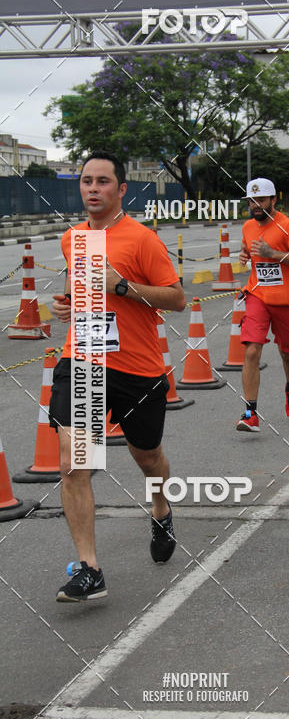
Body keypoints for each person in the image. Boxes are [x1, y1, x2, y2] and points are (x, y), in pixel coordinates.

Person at [49, 151, 186, 602]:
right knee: (74, 462)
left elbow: (176, 298)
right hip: (83, 360)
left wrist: (122, 286)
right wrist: (64, 304)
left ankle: (161, 507)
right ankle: (90, 568)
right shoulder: (72, 239)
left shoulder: (142, 239)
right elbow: (76, 287)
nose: (92, 188)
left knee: (147, 458)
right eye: (86, 180)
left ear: (121, 189)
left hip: (136, 367)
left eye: (103, 181)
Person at [237, 177, 289, 432]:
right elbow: (248, 247)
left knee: (288, 354)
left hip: (286, 301)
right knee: (250, 351)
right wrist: (244, 254)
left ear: (273, 200)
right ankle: (250, 414)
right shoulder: (248, 226)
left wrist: (274, 255)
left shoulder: (288, 227)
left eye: (261, 200)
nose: (256, 205)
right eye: (252, 201)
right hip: (257, 296)